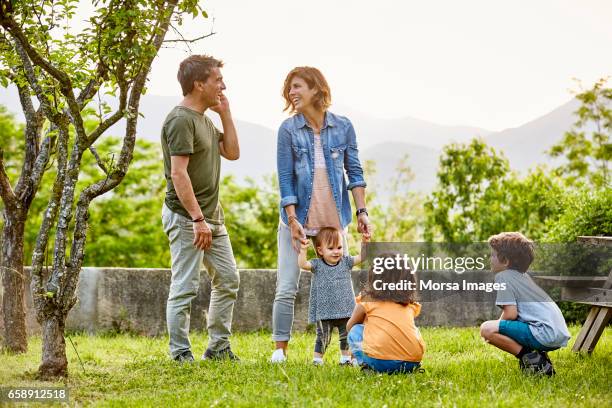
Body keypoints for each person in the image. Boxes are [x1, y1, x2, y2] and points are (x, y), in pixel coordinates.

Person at [271, 66, 372, 363]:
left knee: (344, 290)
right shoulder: (288, 130)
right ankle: (280, 349)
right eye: (289, 88)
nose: (292, 92)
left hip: (333, 224)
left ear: (316, 89)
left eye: (298, 86)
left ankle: (349, 351)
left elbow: (354, 171)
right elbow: (285, 178)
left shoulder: (343, 127)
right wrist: (291, 221)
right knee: (287, 285)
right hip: (297, 222)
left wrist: (362, 211)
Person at [161, 55, 241, 363]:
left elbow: (232, 152)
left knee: (228, 278)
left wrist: (226, 113)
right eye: (218, 80)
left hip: (211, 218)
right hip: (187, 218)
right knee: (185, 286)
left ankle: (218, 348)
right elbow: (178, 174)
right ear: (199, 84)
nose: (223, 85)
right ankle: (180, 352)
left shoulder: (204, 119)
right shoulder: (181, 119)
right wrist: (197, 219)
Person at [480, 232, 571, 376]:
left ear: (505, 261)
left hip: (544, 333)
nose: (490, 259)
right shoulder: (523, 277)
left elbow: (510, 314)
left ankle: (533, 359)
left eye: (493, 255)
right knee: (498, 326)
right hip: (557, 333)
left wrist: (497, 329)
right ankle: (540, 359)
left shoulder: (503, 277)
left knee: (486, 329)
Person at [298, 227, 369, 365]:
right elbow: (303, 264)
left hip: (345, 308)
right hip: (325, 311)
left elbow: (362, 257)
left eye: (339, 247)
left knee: (346, 335)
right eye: (331, 248)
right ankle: (317, 360)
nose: (336, 251)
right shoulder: (317, 264)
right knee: (323, 336)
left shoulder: (346, 262)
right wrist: (303, 250)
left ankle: (345, 359)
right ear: (320, 251)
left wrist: (365, 242)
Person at [346, 254, 426, 374]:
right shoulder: (409, 303)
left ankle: (365, 364)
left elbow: (350, 326)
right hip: (412, 362)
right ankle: (406, 368)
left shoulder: (367, 299)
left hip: (380, 361)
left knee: (355, 331)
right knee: (414, 330)